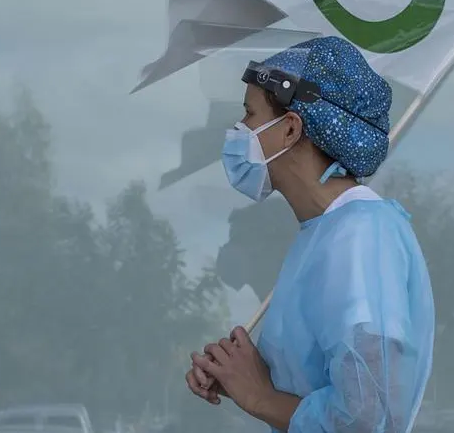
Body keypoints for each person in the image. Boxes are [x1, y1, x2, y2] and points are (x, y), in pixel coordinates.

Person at [184, 36, 435, 433]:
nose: (239, 130)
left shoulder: (362, 235)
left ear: (289, 129)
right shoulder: (323, 232)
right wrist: (243, 375)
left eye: (250, 114)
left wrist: (261, 398)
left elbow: (368, 417)